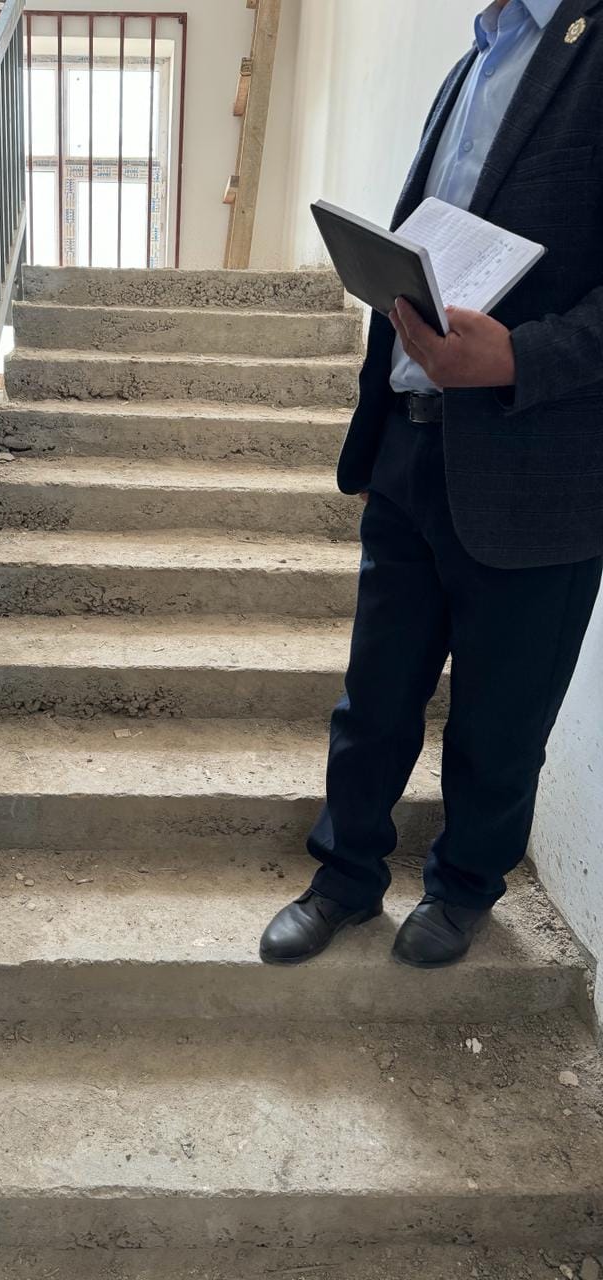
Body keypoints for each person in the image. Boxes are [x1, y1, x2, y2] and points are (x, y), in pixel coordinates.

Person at [261, 0, 603, 969]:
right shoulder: (472, 63)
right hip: (409, 443)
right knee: (372, 696)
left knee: (501, 718)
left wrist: (519, 358)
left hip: (538, 471)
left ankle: (463, 886)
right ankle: (344, 876)